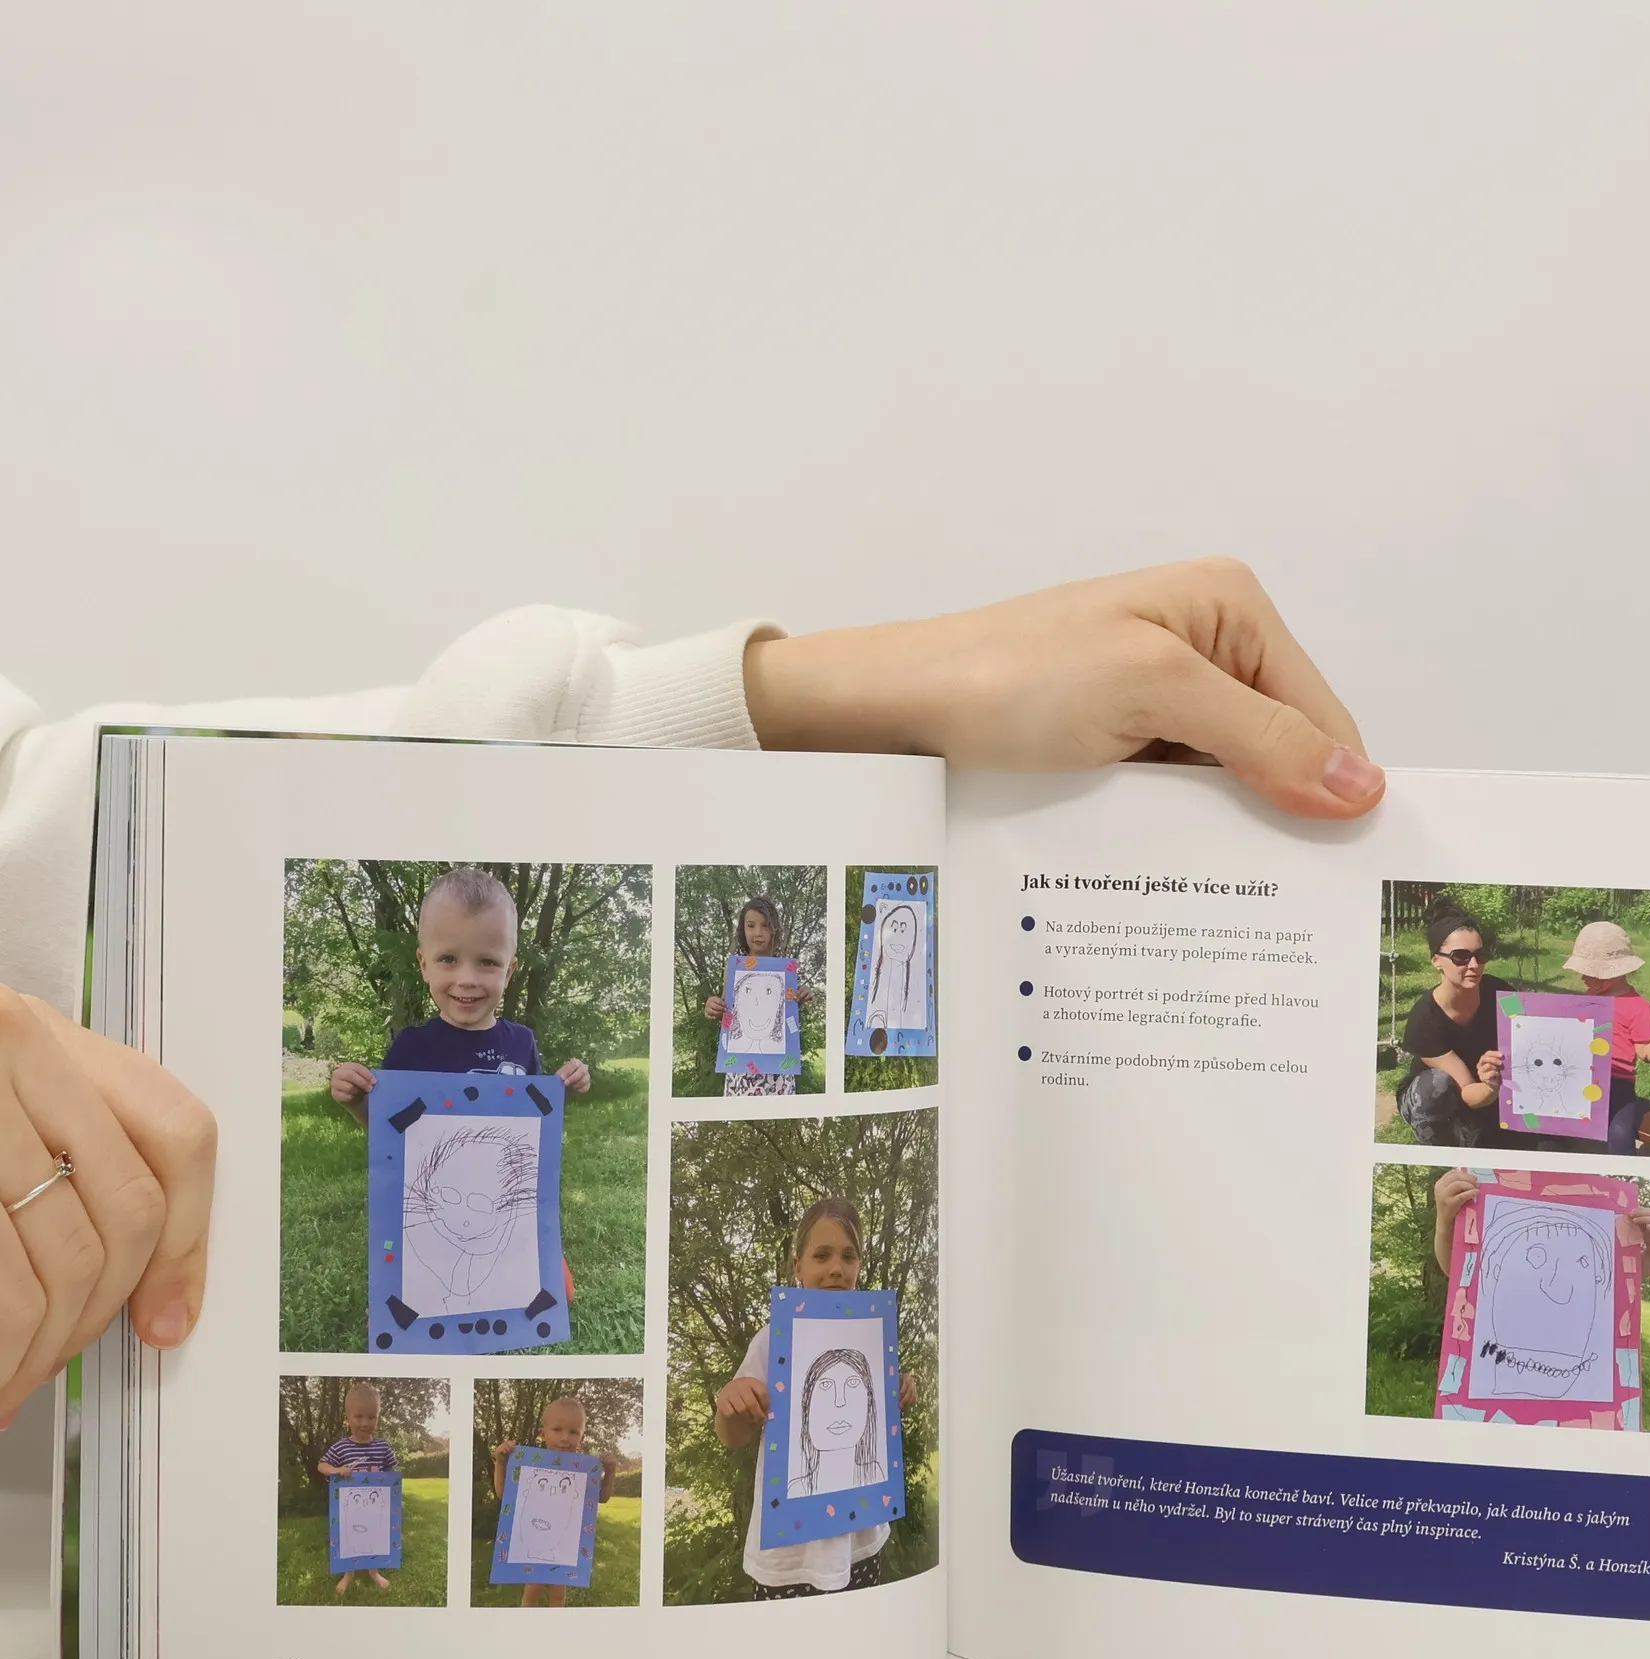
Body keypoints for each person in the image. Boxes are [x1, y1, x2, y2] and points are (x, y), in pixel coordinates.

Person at [0, 559, 1383, 1423]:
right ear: (423, 972)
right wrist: (359, 1090)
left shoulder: (525, 1037)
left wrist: (794, 700)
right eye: (451, 964)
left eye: (488, 964)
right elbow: (399, 1133)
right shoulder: (423, 1039)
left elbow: (39, 816)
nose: (470, 985)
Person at [711, 1196, 920, 1599]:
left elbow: (881, 1410)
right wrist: (731, 1402)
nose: (836, 1268)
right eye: (822, 1255)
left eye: (848, 1255)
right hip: (788, 1562)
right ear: (798, 1267)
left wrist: (904, 1385)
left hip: (862, 1545)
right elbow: (732, 1436)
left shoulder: (872, 1336)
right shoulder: (773, 1339)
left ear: (860, 1264)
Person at [329, 868, 592, 1123]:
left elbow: (534, 1122)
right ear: (424, 966)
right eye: (448, 959)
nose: (467, 980)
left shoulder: (522, 1044)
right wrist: (356, 1102)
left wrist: (562, 1090)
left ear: (509, 972)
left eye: (487, 962)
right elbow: (390, 1129)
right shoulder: (410, 1048)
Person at [1562, 920, 1650, 1154]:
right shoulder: (1588, 998)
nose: (1582, 977)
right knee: (1554, 1123)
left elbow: (1646, 1052)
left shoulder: (1638, 1006)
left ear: (1608, 974)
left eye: (1587, 972)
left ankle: (1623, 1174)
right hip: (1581, 1075)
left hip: (1618, 1084)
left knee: (1620, 1132)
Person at [1395, 905, 1513, 1147]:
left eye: (1480, 955)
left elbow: (1531, 1028)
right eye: (1461, 956)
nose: (1474, 965)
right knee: (1436, 1085)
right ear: (1436, 961)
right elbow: (1469, 1091)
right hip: (1443, 1094)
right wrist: (1490, 1087)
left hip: (1487, 1086)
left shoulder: (1500, 992)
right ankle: (1444, 1150)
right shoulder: (1424, 1020)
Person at [1431, 1168, 1650, 1281]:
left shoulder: (1602, 1194)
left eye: (1581, 1262)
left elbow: (1614, 1286)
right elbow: (1458, 1272)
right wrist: (1445, 1223)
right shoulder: (1487, 1177)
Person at [491, 1393, 619, 1607]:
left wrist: (610, 1472)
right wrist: (501, 1463)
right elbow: (504, 1494)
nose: (565, 1438)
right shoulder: (528, 1465)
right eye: (557, 1429)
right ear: (543, 1434)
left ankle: (556, 1626)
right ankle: (526, 1624)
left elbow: (603, 1498)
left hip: (562, 1548)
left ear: (582, 1436)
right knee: (531, 1591)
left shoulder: (584, 1471)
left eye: (573, 1432)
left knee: (558, 1595)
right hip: (532, 1541)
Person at [700, 894, 818, 1097]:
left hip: (778, 1075)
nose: (758, 933)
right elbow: (728, 1016)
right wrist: (713, 1008)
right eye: (751, 925)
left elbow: (787, 1016)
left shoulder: (786, 972)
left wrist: (803, 995)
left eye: (765, 925)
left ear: (774, 930)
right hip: (740, 1074)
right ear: (742, 930)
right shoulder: (735, 970)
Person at [317, 1381, 400, 1598]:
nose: (365, 1423)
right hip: (350, 1508)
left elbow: (391, 1473)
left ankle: (374, 1572)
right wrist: (336, 1470)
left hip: (375, 1508)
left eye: (372, 1417)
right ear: (347, 1418)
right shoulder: (341, 1447)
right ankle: (348, 1574)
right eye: (359, 1416)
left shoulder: (383, 1447)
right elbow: (321, 1465)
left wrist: (394, 1498)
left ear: (378, 1417)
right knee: (350, 1539)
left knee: (374, 1536)